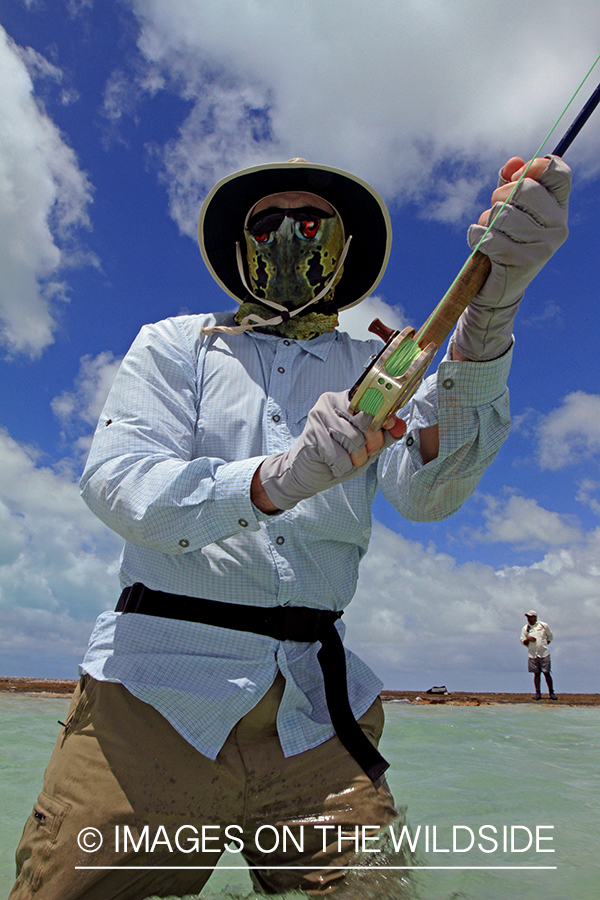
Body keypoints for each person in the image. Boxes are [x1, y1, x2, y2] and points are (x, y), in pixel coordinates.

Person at [10, 154, 571, 899]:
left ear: (340, 246)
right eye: (265, 222)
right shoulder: (176, 345)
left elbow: (429, 489)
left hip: (316, 709)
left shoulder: (378, 360)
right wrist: (280, 478)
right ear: (240, 248)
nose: (285, 236)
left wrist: (493, 313)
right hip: (151, 696)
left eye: (309, 222)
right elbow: (119, 484)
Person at [521, 609, 557, 700]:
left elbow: (550, 636)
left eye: (530, 617)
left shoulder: (543, 625)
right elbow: (523, 641)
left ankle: (551, 693)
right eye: (527, 617)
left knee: (546, 673)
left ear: (535, 617)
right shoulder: (526, 628)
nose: (528, 619)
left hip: (544, 653)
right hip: (532, 654)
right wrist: (529, 640)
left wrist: (544, 645)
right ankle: (538, 693)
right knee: (536, 674)